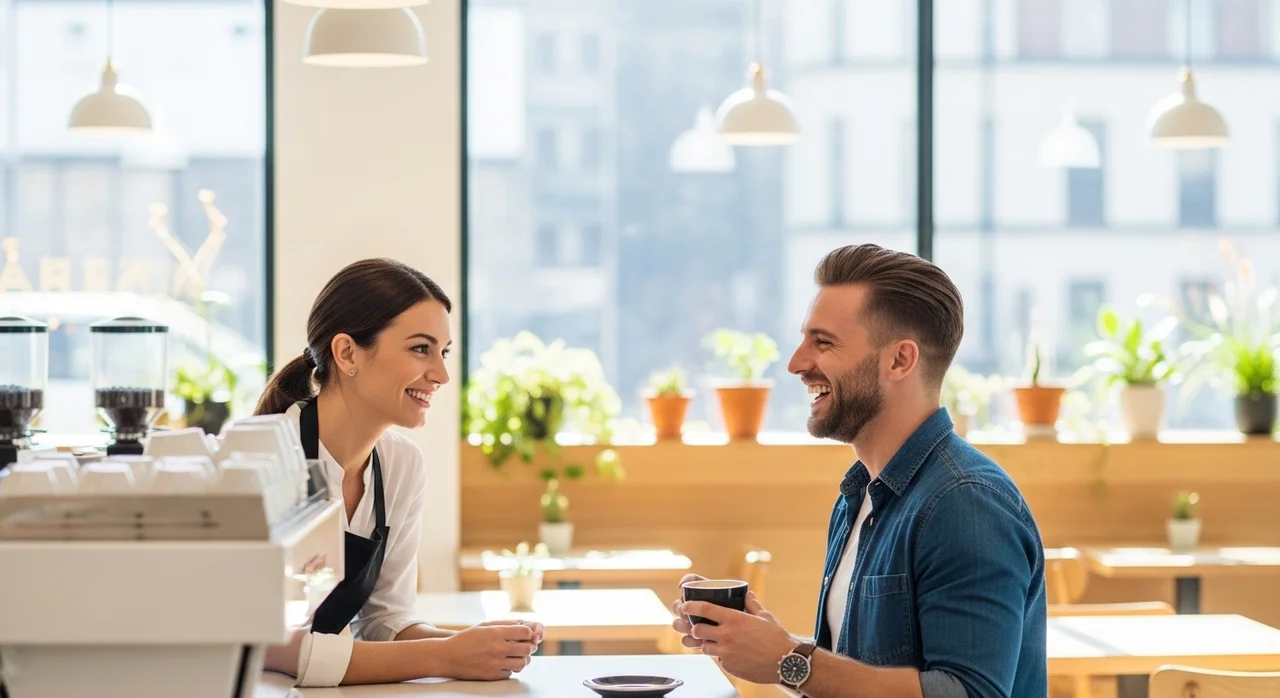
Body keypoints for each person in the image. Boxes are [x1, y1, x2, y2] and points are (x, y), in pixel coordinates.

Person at [671, 244, 1047, 698]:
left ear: (899, 361)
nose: (796, 363)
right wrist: (769, 649)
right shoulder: (860, 495)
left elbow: (969, 693)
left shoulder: (966, 502)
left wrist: (790, 661)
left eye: (823, 342)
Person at [257, 258, 543, 687]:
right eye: (420, 348)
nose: (442, 374)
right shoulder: (264, 456)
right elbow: (273, 644)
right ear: (347, 352)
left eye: (443, 352)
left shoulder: (401, 465)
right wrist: (446, 656)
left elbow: (386, 619)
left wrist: (473, 646)